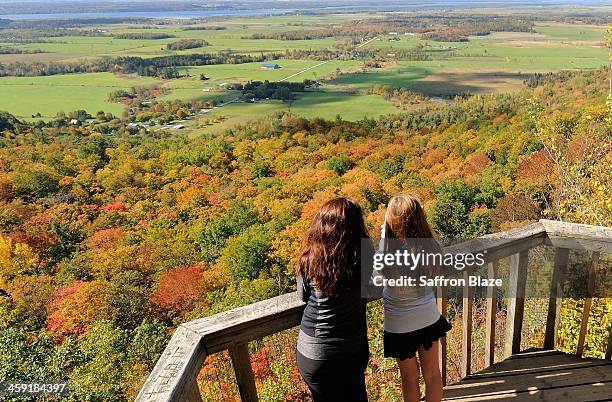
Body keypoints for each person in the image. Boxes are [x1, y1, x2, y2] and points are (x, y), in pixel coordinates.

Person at [296, 198, 374, 402]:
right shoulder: (365, 255)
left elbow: (302, 296)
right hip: (352, 349)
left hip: (314, 352)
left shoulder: (308, 259)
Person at [380, 193, 451, 402]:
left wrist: (386, 229)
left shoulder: (386, 252)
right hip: (427, 317)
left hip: (398, 324)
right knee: (432, 374)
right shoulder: (430, 247)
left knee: (409, 379)